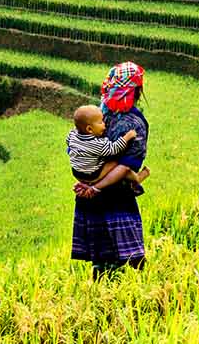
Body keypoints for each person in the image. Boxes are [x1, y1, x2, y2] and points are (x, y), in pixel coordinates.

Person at [71, 62, 149, 277]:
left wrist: (88, 183)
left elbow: (79, 151)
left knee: (100, 259)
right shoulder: (133, 123)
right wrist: (97, 187)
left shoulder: (98, 114)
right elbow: (125, 166)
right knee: (131, 259)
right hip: (116, 196)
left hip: (89, 195)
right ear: (136, 91)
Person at [66, 104, 149, 195]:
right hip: (92, 173)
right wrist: (127, 137)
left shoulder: (72, 135)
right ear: (89, 129)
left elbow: (68, 142)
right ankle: (136, 178)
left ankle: (90, 185)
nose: (104, 123)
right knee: (118, 163)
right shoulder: (96, 144)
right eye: (101, 122)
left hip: (76, 171)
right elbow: (113, 149)